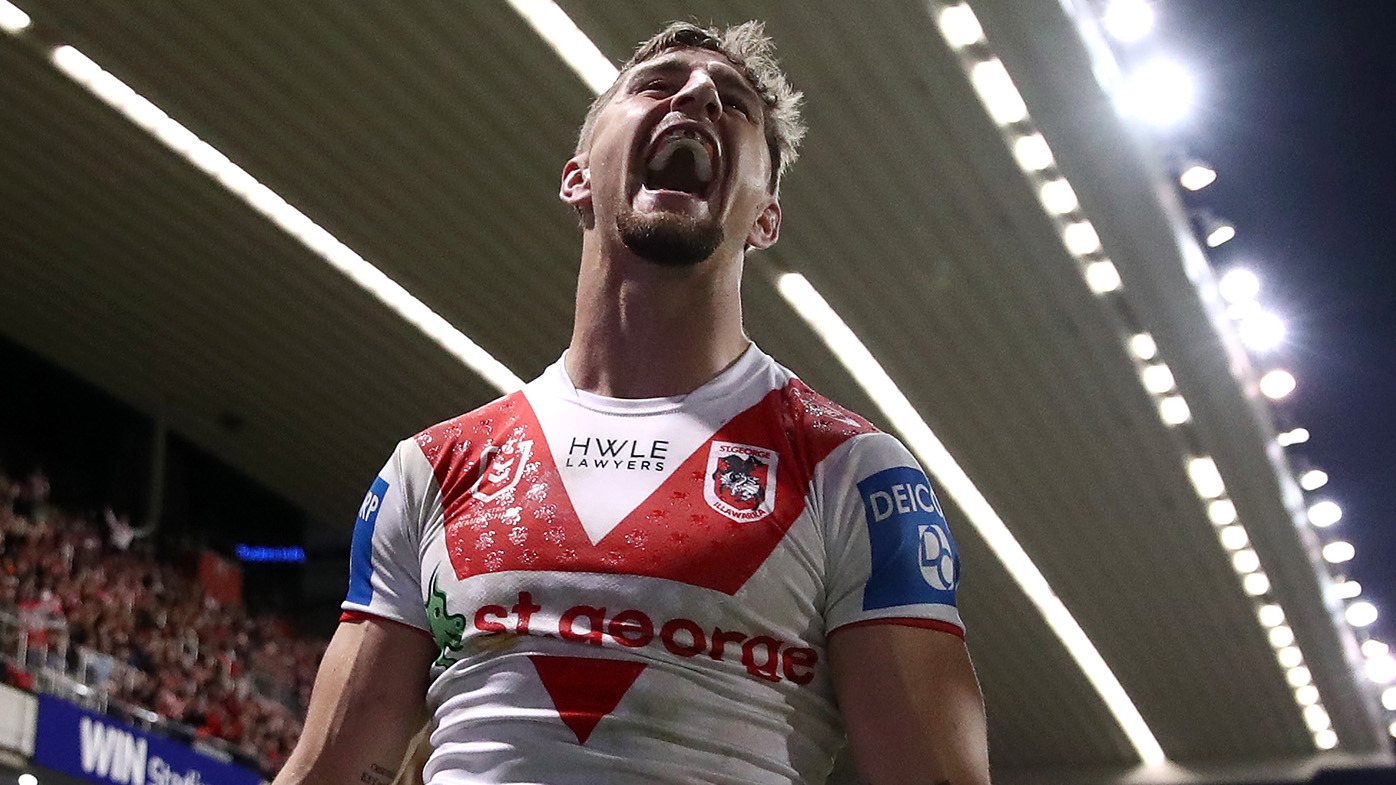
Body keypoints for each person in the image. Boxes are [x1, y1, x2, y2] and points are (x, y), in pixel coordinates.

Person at [275, 20, 989, 785]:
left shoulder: (853, 474)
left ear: (767, 218)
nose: (699, 94)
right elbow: (331, 769)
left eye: (736, 105)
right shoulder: (431, 469)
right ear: (577, 176)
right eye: (657, 85)